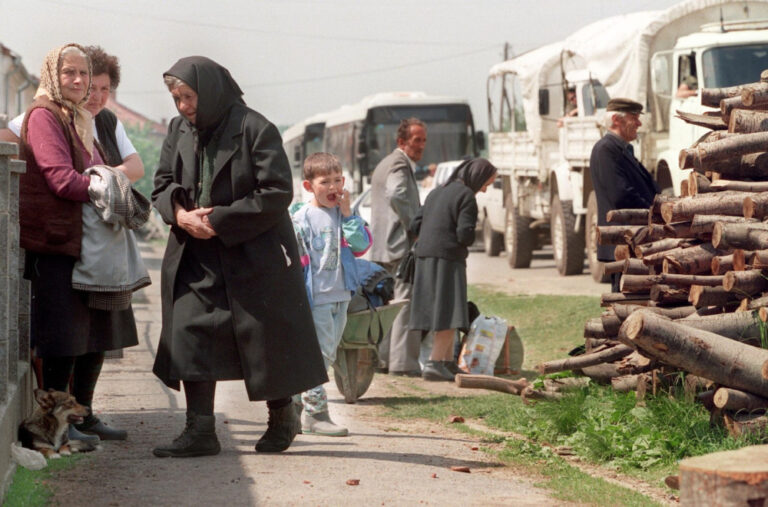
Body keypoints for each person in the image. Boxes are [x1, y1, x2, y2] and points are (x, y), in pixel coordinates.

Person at [151, 56, 327, 457]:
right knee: (190, 334)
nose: (183, 106)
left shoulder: (255, 128)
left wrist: (220, 220)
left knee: (263, 339)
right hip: (194, 252)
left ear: (210, 91)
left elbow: (277, 192)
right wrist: (179, 214)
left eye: (188, 96)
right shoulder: (179, 130)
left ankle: (282, 415)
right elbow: (161, 183)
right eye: (176, 98)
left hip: (253, 251)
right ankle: (199, 431)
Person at [18, 43, 138, 445]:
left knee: (88, 335)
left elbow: (89, 171)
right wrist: (108, 186)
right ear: (52, 74)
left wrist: (102, 179)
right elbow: (61, 179)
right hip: (56, 244)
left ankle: (76, 423)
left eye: (83, 74)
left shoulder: (77, 118)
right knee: (61, 340)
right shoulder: (44, 115)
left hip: (82, 242)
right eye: (69, 72)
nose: (78, 81)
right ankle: (52, 433)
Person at [291, 152, 371, 437]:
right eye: (325, 181)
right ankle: (314, 414)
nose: (333, 187)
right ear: (309, 186)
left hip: (342, 295)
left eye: (338, 180)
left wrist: (349, 215)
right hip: (317, 298)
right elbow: (295, 259)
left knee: (327, 352)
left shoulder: (345, 214)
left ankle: (292, 407)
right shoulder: (301, 218)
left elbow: (361, 245)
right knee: (321, 356)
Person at [409, 159, 497, 381]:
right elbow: (464, 235)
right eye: (486, 183)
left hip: (425, 257)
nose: (485, 188)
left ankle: (446, 363)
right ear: (477, 177)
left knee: (441, 311)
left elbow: (414, 225)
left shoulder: (436, 192)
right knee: (449, 312)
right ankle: (435, 363)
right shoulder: (466, 196)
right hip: (448, 260)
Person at [2, 45, 144, 183]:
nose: (97, 97)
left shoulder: (108, 120)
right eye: (92, 88)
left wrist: (102, 180)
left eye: (105, 89)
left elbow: (136, 168)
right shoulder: (45, 115)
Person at [369, 118, 426, 376]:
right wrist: (414, 226)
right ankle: (402, 365)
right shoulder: (400, 163)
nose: (422, 146)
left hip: (383, 246)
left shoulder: (384, 163)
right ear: (402, 142)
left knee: (389, 306)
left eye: (424, 140)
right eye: (417, 140)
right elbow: (396, 194)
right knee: (404, 304)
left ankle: (384, 360)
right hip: (400, 245)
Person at [589, 98, 658, 292]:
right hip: (621, 244)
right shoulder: (605, 150)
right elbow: (621, 194)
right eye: (633, 118)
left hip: (631, 242)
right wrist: (654, 211)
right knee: (624, 304)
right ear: (616, 120)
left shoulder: (620, 149)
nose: (639, 123)